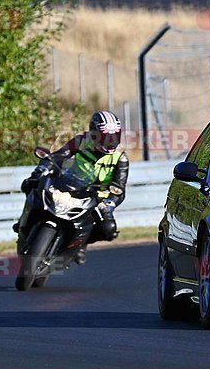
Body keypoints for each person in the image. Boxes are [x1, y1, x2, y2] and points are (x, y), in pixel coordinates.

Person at [19, 111, 129, 264]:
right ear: (94, 133)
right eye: (106, 136)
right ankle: (23, 224)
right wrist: (42, 169)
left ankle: (80, 244)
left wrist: (109, 203)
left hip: (95, 197)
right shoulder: (82, 141)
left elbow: (119, 187)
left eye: (114, 136)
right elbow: (59, 156)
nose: (111, 141)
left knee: (108, 228)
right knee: (32, 184)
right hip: (69, 184)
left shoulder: (120, 157)